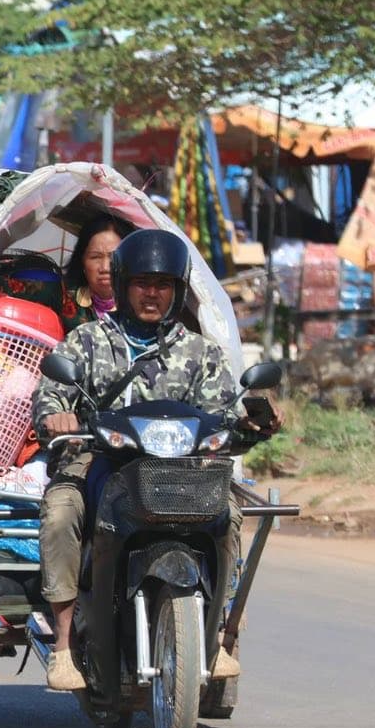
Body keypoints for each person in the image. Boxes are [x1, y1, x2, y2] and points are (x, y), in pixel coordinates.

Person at [32, 229, 248, 693]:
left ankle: (221, 634)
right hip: (97, 462)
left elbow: (225, 412)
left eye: (163, 285)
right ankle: (65, 648)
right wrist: (58, 418)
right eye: (143, 284)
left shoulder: (200, 352)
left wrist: (249, 423)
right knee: (60, 513)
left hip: (177, 473)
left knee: (230, 513)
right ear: (126, 285)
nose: (152, 294)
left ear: (177, 291)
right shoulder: (87, 342)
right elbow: (49, 396)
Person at [63, 213, 133, 323]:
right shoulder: (63, 298)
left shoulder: (143, 307)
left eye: (113, 257)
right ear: (82, 261)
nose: (105, 268)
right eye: (95, 257)